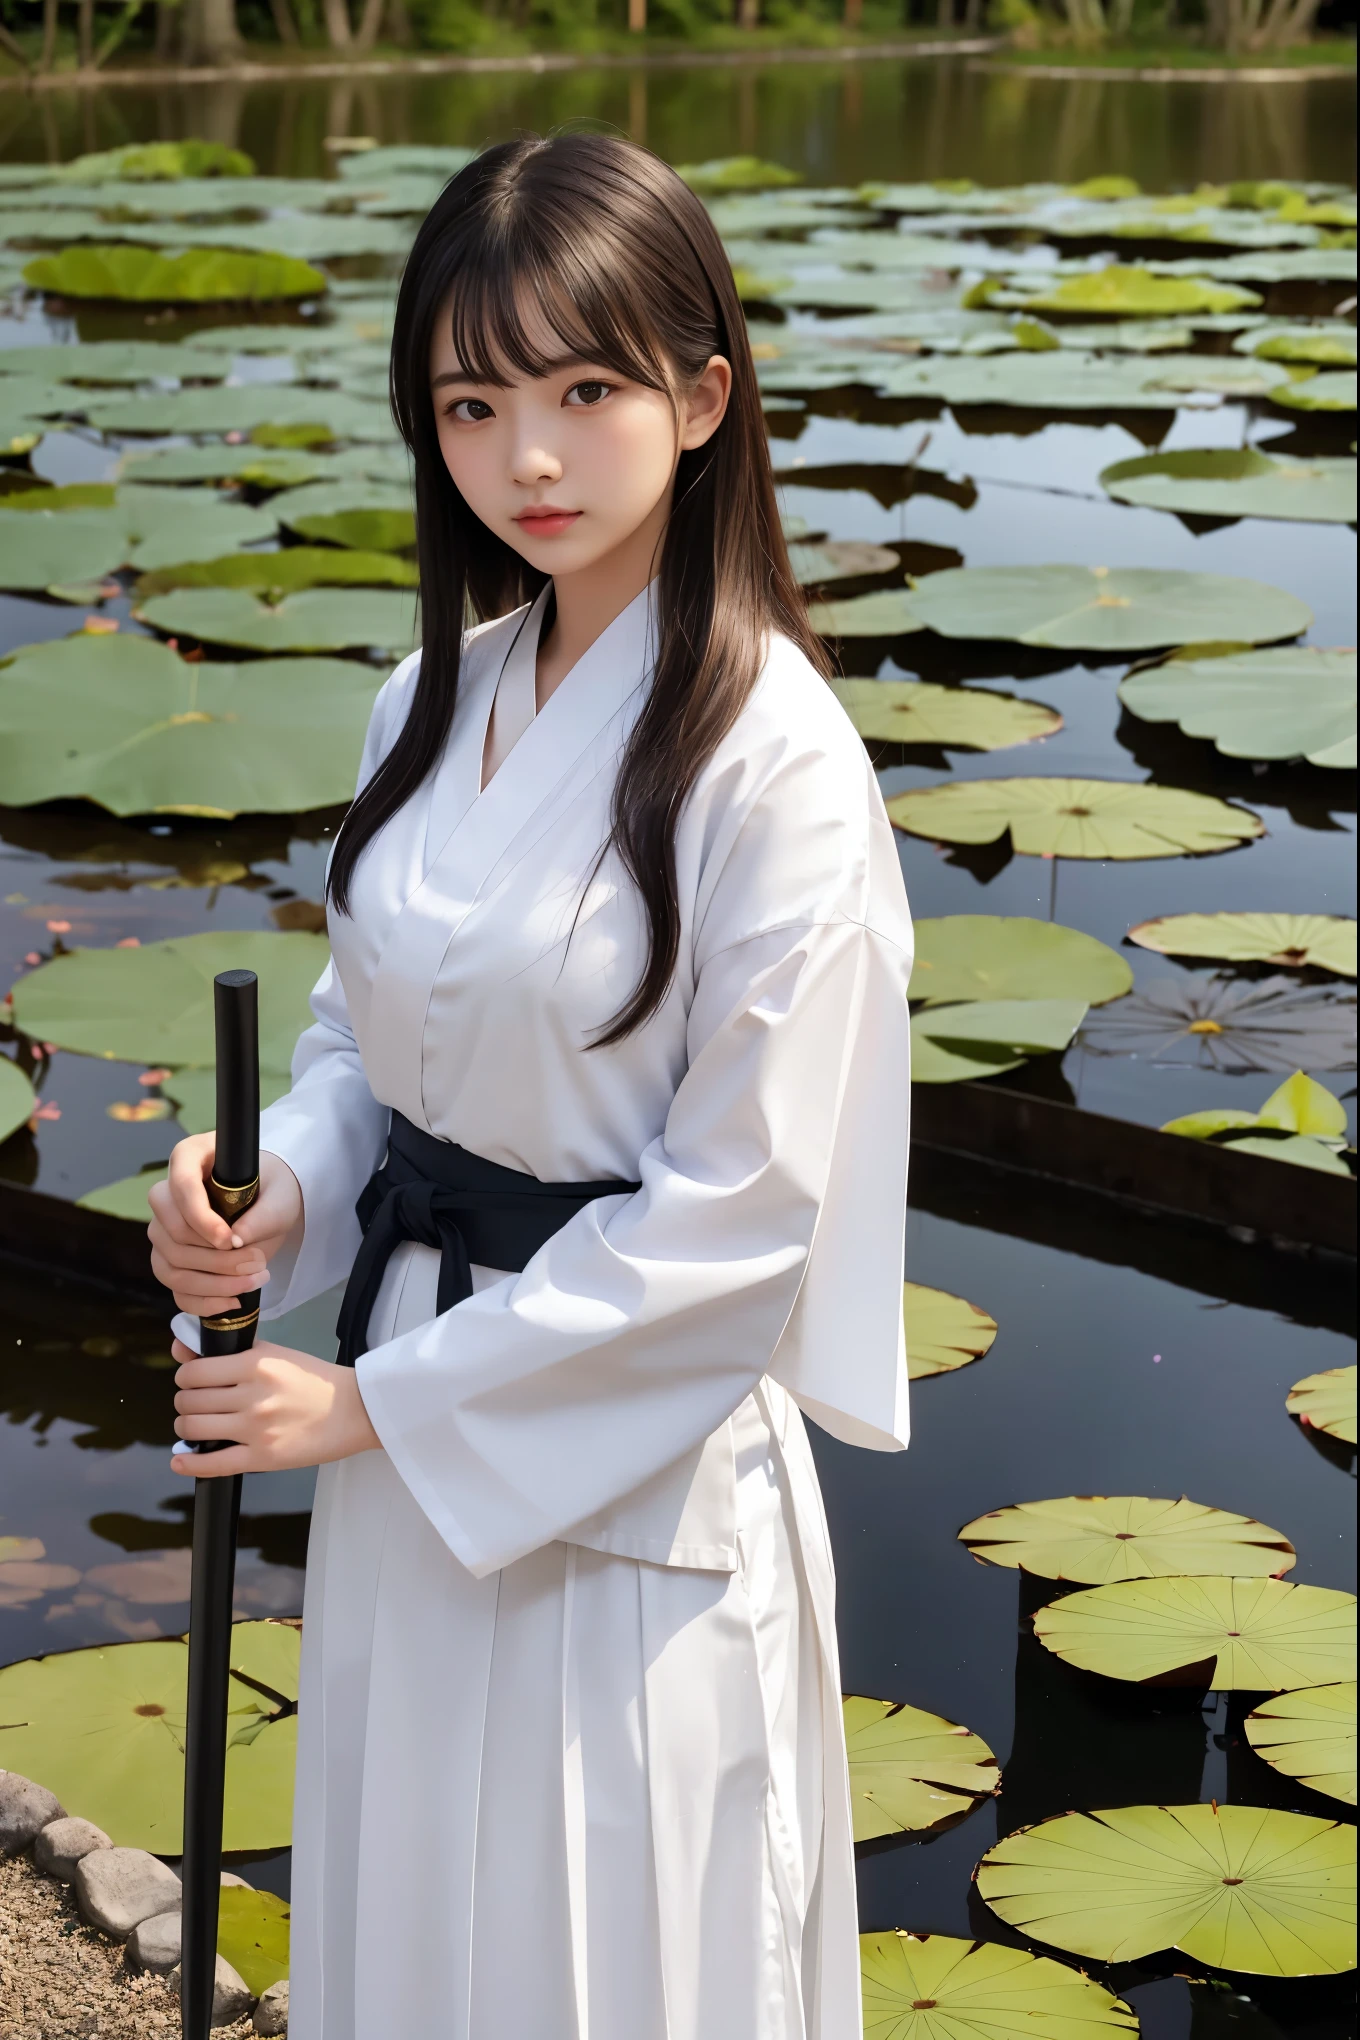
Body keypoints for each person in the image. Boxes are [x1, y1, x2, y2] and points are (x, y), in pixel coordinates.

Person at [148, 132, 913, 2040]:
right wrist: (282, 1190)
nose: (533, 463)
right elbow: (363, 1040)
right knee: (411, 1922)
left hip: (614, 1474)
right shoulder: (433, 700)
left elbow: (747, 1225)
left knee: (610, 1956)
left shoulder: (779, 764)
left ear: (705, 393)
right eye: (475, 406)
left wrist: (381, 1407)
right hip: (405, 1425)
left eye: (588, 391)